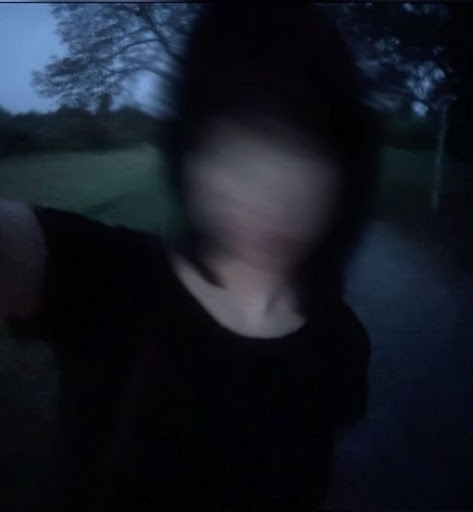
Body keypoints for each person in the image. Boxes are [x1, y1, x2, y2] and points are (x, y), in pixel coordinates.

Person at [0, 4, 380, 511]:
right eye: (233, 142)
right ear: (190, 155)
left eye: (301, 147)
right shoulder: (112, 281)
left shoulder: (341, 342)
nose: (267, 186)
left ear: (344, 170)